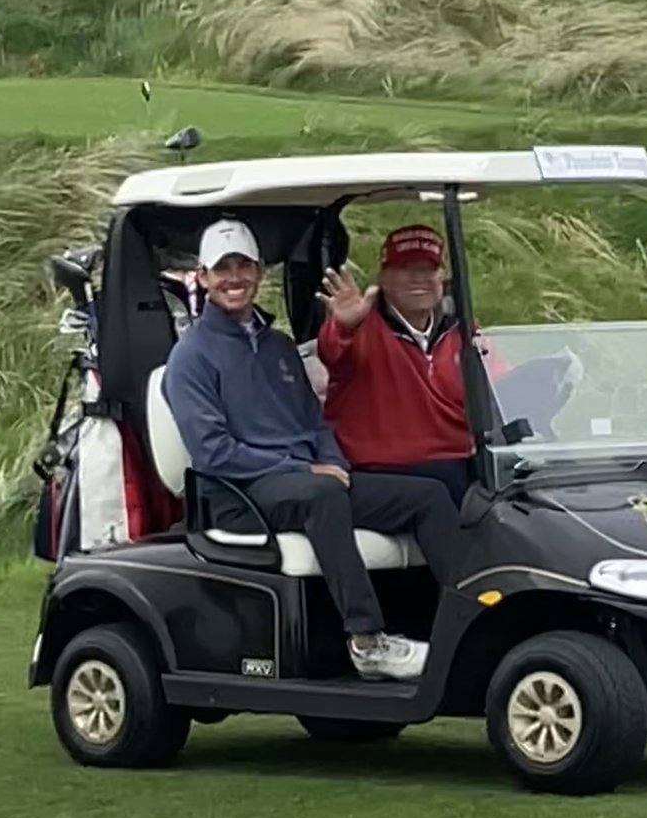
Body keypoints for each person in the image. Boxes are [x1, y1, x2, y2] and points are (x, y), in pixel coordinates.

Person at [162, 218, 464, 682]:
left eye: (244, 265)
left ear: (260, 271)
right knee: (321, 495)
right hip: (239, 494)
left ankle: (468, 622)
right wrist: (304, 468)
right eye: (223, 269)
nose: (235, 278)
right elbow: (213, 453)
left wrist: (334, 462)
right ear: (203, 277)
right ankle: (367, 640)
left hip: (302, 481)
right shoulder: (191, 358)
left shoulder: (277, 347)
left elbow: (313, 422)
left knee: (427, 496)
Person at [317, 224, 508, 507]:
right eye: (406, 269)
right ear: (384, 277)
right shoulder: (360, 326)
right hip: (384, 466)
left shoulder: (462, 329)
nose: (419, 278)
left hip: (458, 461)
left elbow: (501, 385)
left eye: (428, 269)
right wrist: (345, 326)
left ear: (441, 276)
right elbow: (333, 352)